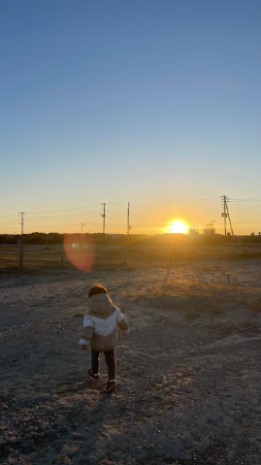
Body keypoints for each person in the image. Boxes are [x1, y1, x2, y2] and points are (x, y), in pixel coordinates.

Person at [79, 283, 129, 392]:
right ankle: (111, 380)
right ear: (106, 296)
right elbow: (122, 321)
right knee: (110, 361)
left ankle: (95, 373)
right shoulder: (115, 310)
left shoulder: (89, 315)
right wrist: (124, 329)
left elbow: (88, 329)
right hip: (110, 343)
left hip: (96, 344)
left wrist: (84, 341)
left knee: (94, 358)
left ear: (90, 299)